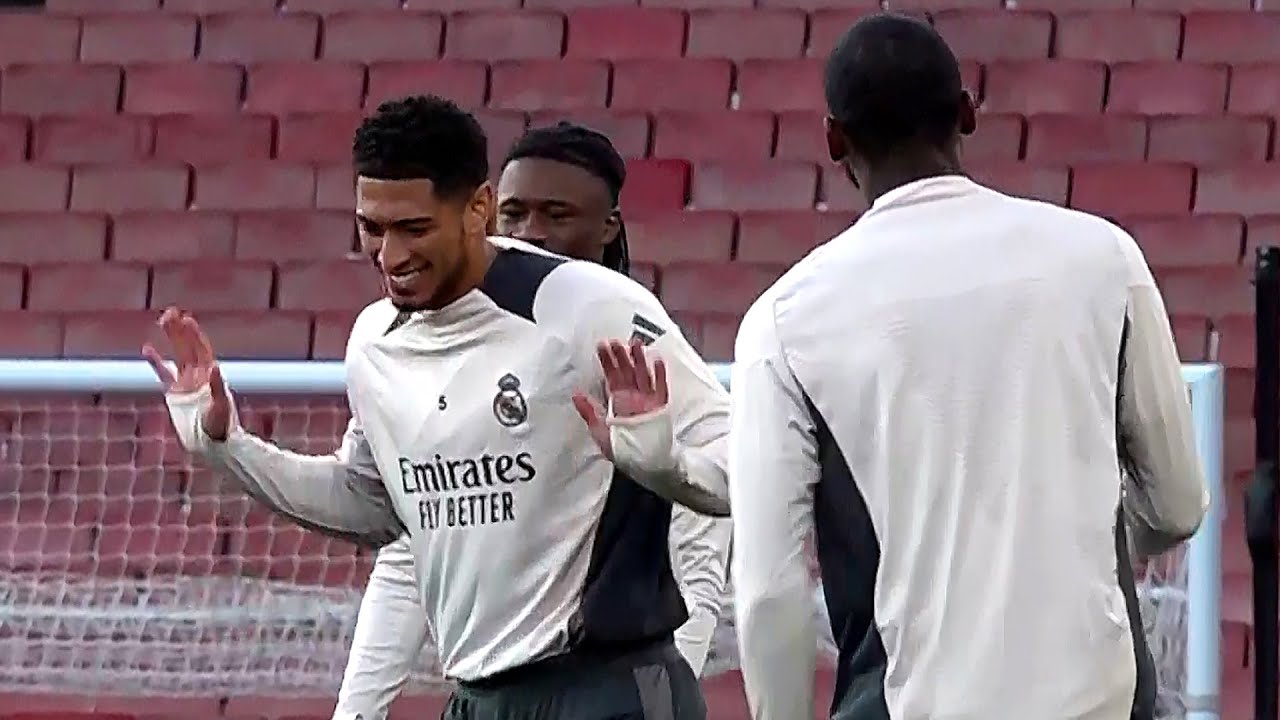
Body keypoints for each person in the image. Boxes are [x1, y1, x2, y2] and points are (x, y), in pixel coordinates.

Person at [144, 95, 730, 720]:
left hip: (608, 689)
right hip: (477, 698)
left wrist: (665, 464)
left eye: (414, 229)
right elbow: (373, 506)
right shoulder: (374, 342)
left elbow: (744, 463)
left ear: (478, 208)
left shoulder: (589, 308)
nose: (391, 256)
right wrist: (224, 445)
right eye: (373, 228)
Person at [728, 13, 1209, 720]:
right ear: (967, 113)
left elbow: (769, 590)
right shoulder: (1102, 258)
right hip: (1098, 699)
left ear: (833, 139)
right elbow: (1175, 504)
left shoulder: (784, 320)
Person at [332, 122, 732, 720]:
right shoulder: (433, 353)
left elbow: (697, 559)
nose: (531, 235)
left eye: (557, 215)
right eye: (514, 214)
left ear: (608, 228)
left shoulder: (632, 360)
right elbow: (409, 543)